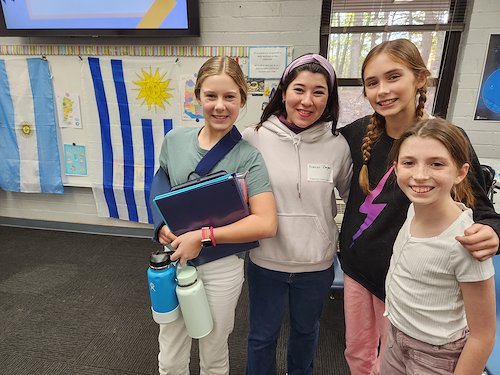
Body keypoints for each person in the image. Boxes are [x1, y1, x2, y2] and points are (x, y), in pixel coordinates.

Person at [338, 38, 500, 375]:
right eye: (372, 83)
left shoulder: (444, 140)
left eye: (393, 77)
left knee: (391, 360)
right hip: (355, 267)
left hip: (407, 284)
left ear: (420, 79)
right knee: (357, 354)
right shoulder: (356, 133)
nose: (383, 90)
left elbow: (484, 212)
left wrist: (493, 233)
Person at [155, 56, 278, 375]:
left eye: (229, 97)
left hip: (222, 266)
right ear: (197, 97)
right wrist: (159, 226)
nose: (220, 106)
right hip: (175, 259)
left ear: (242, 99)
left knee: (213, 350)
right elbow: (160, 185)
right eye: (211, 96)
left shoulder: (249, 156)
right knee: (170, 350)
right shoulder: (174, 141)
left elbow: (265, 222)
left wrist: (204, 236)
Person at [242, 53, 352, 375]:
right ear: (283, 92)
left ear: (329, 98)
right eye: (299, 89)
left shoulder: (338, 145)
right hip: (266, 260)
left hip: (316, 265)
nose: (307, 100)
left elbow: (352, 195)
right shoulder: (254, 137)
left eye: (319, 92)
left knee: (306, 333)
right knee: (262, 336)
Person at [381, 117, 496, 374]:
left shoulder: (465, 241)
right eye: (409, 163)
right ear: (397, 168)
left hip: (434, 355)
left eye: (437, 164)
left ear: (461, 172)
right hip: (395, 338)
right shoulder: (413, 209)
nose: (420, 175)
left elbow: (483, 335)